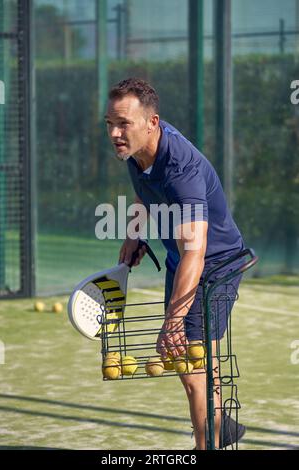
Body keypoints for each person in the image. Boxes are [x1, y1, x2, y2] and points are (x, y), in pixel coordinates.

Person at [105, 77, 246, 450]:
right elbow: (142, 189)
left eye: (124, 124)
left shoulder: (181, 169)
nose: (115, 133)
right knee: (191, 363)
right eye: (110, 124)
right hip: (178, 259)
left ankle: (207, 446)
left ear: (152, 123)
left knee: (193, 363)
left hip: (214, 266)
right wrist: (135, 232)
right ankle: (220, 428)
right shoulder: (136, 150)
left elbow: (196, 252)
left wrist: (173, 318)